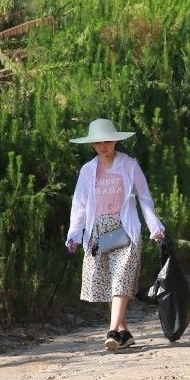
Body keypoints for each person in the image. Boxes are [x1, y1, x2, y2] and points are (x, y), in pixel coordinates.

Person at [66, 118, 165, 352]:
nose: (103, 146)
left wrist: (155, 227)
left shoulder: (129, 165)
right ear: (92, 145)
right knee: (110, 283)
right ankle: (123, 333)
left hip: (125, 230)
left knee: (121, 278)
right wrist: (74, 235)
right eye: (98, 142)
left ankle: (111, 332)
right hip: (98, 232)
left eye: (108, 141)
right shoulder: (88, 170)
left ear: (115, 141)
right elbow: (79, 205)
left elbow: (144, 198)